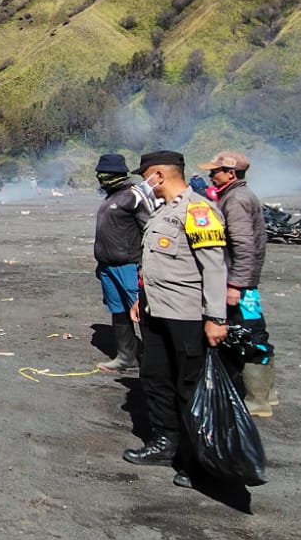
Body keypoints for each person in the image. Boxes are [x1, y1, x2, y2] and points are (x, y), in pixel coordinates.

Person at [122, 150, 228, 490]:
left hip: (187, 316)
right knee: (155, 378)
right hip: (156, 312)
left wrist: (216, 317)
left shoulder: (197, 210)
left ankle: (199, 461)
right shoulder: (162, 211)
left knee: (189, 388)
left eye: (145, 177)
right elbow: (155, 263)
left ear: (158, 175)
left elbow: (214, 267)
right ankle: (165, 442)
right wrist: (141, 299)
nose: (143, 183)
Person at [201, 150, 274, 417]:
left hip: (240, 285)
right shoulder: (235, 195)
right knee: (251, 332)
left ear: (231, 173)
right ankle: (266, 393)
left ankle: (259, 400)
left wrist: (235, 285)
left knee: (250, 335)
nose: (211, 175)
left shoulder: (236, 200)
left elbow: (243, 246)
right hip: (242, 282)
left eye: (216, 171)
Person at [92, 152, 154, 373]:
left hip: (129, 265)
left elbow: (150, 229)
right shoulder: (110, 197)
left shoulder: (133, 195)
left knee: (142, 312)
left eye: (103, 173)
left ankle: (153, 360)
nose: (99, 177)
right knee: (118, 311)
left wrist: (144, 265)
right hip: (108, 266)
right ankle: (126, 357)